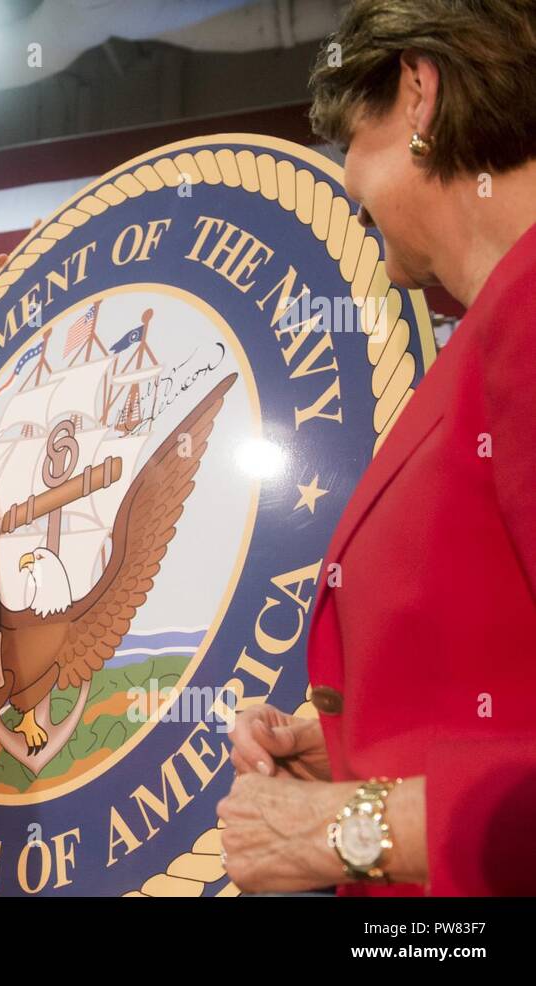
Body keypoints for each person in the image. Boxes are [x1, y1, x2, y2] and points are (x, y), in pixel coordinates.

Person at [218, 0, 536, 895]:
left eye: (351, 142)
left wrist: (348, 829)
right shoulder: (480, 339)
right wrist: (359, 744)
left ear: (419, 97)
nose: (346, 185)